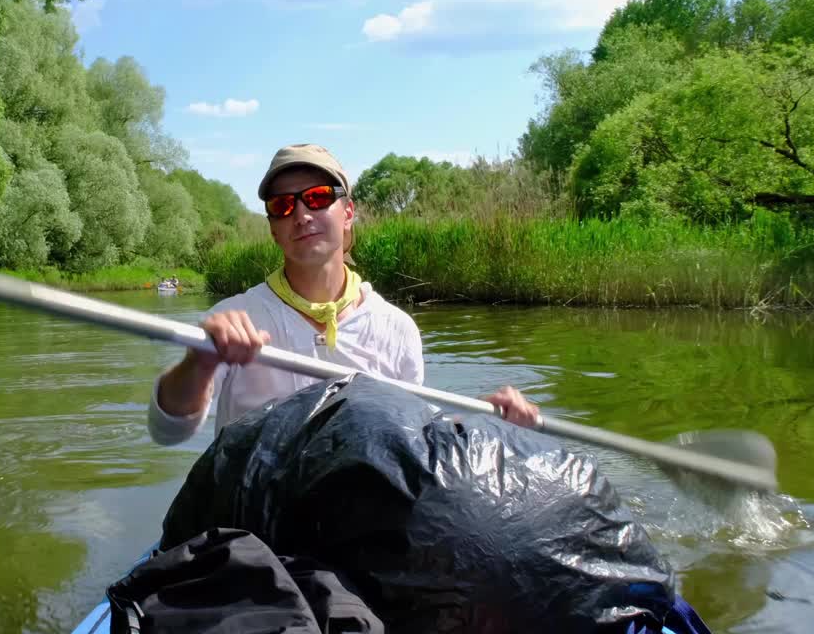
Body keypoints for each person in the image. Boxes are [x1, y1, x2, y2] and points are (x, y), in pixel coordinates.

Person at [149, 143, 539, 446]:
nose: (301, 215)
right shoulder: (234, 319)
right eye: (283, 206)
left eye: (317, 197)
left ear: (348, 212)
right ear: (272, 229)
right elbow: (167, 433)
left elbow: (417, 438)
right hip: (257, 528)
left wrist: (483, 418)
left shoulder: (396, 328)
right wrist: (197, 364)